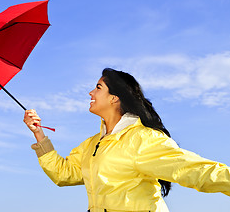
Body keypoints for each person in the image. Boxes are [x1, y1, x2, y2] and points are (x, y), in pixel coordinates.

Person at [23, 68, 230, 212]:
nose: (90, 92)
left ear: (115, 97)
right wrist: (39, 134)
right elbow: (64, 174)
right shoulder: (92, 144)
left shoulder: (142, 139)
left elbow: (192, 170)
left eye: (98, 87)